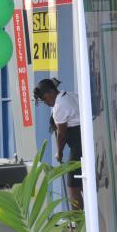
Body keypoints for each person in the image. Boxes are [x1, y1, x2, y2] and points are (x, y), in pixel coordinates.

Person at [34, 78, 83, 210]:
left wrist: (59, 152)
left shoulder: (59, 106)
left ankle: (79, 223)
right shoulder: (71, 95)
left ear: (50, 93)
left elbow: (62, 134)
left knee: (72, 186)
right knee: (82, 183)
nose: (45, 102)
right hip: (84, 145)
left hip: (78, 148)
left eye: (44, 99)